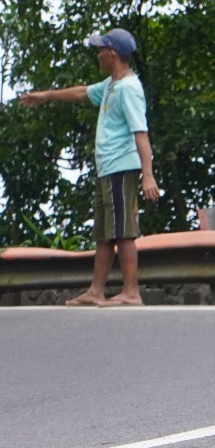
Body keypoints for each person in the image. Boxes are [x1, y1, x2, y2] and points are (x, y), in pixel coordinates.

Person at [18, 27, 161, 307]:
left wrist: (148, 175)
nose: (97, 54)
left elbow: (140, 133)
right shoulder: (111, 85)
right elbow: (83, 92)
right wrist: (45, 96)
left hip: (122, 167)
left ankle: (131, 292)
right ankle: (96, 290)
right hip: (107, 169)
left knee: (123, 231)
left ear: (113, 53)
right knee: (105, 234)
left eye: (101, 49)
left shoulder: (129, 89)